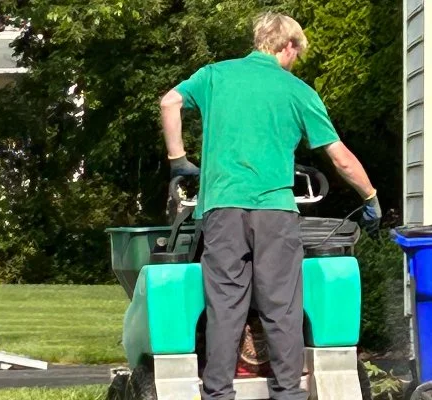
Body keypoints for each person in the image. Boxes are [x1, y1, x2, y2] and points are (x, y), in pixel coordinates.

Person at [158, 11, 381, 400]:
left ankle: (218, 394)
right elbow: (340, 157)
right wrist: (370, 197)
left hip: (223, 210)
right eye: (298, 52)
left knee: (225, 306)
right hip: (275, 214)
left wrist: (178, 160)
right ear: (289, 46)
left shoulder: (215, 75)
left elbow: (169, 102)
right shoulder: (297, 92)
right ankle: (287, 394)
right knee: (281, 307)